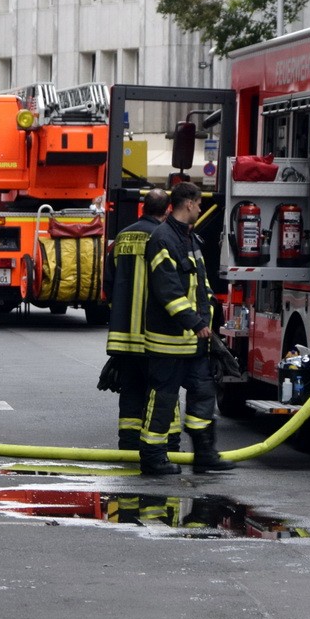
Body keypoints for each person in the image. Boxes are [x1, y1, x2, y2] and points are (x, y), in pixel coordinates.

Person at [139, 182, 237, 475]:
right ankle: (153, 456)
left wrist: (208, 323)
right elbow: (167, 290)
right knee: (164, 400)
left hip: (195, 344)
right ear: (189, 204)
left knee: (204, 394)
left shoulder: (189, 238)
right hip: (169, 343)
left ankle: (205, 452)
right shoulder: (162, 239)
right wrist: (195, 323)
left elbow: (201, 285)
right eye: (199, 204)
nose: (201, 209)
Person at [102, 188, 177, 451]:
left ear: (143, 208)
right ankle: (167, 445)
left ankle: (129, 442)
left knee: (131, 389)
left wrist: (119, 313)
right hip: (157, 337)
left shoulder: (122, 238)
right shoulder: (166, 237)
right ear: (168, 210)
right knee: (163, 390)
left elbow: (108, 283)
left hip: (124, 336)